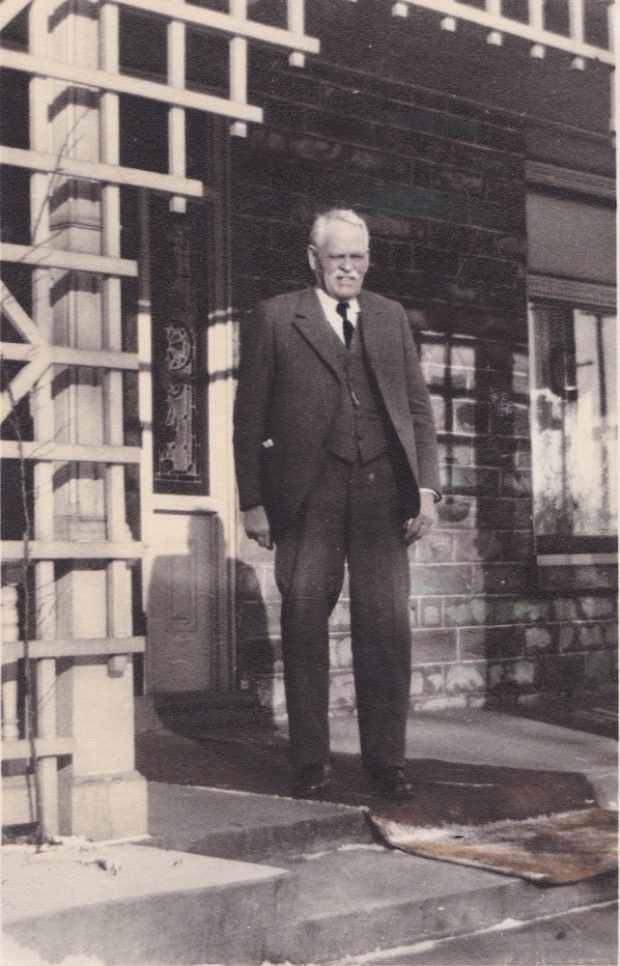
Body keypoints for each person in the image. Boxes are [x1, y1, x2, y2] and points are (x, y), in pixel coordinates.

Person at [233, 208, 440, 800]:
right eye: (337, 257)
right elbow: (247, 418)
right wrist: (253, 501)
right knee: (302, 624)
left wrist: (425, 485)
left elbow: (417, 408)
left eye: (359, 256)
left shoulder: (389, 316)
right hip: (306, 493)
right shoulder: (275, 317)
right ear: (313, 258)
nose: (349, 267)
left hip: (383, 492)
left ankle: (386, 762)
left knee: (385, 627)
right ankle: (309, 759)